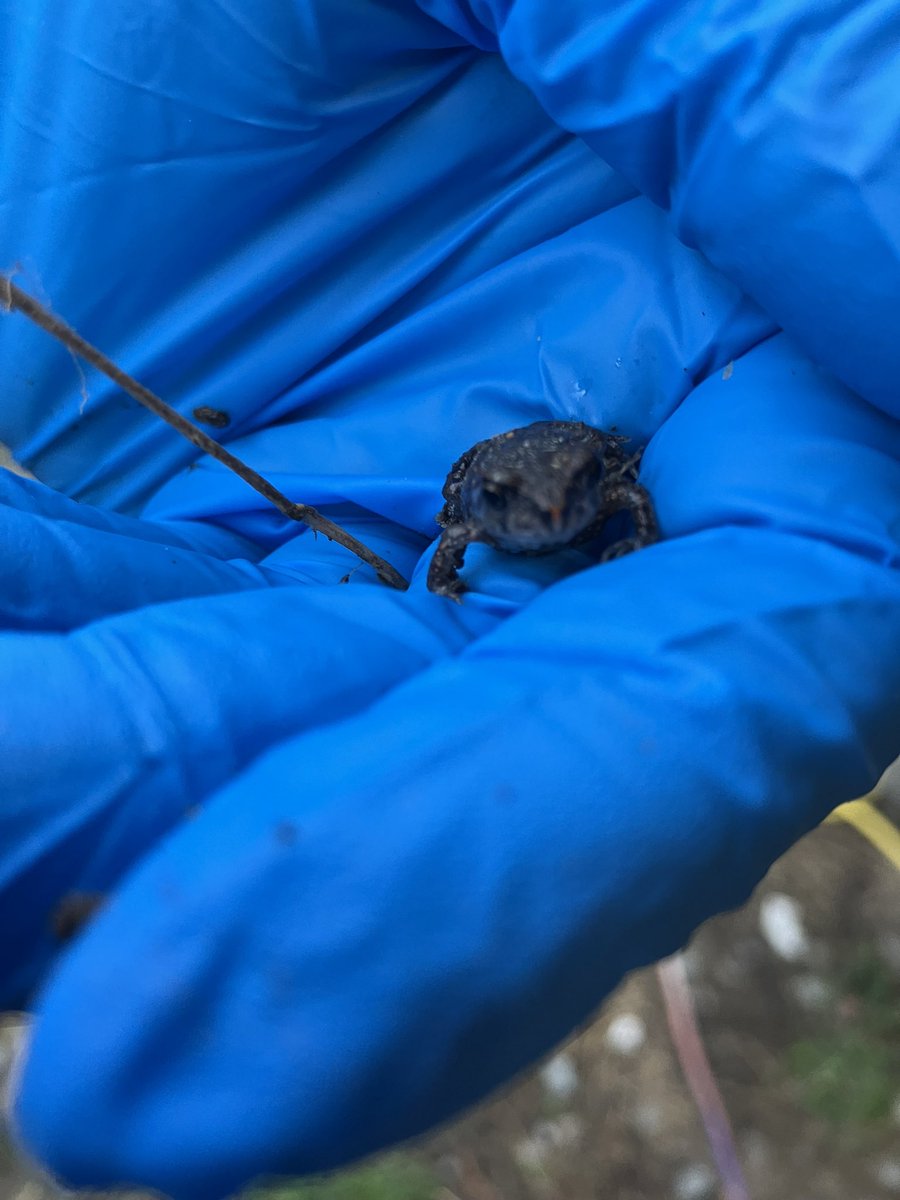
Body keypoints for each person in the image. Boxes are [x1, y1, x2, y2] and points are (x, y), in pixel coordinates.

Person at [1, 3, 898, 1197]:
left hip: (580, 427)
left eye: (565, 510)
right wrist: (456, 552)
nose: (547, 527)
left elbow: (606, 487)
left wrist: (604, 512)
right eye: (523, 519)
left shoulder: (600, 482)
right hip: (500, 451)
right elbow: (468, 505)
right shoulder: (492, 505)